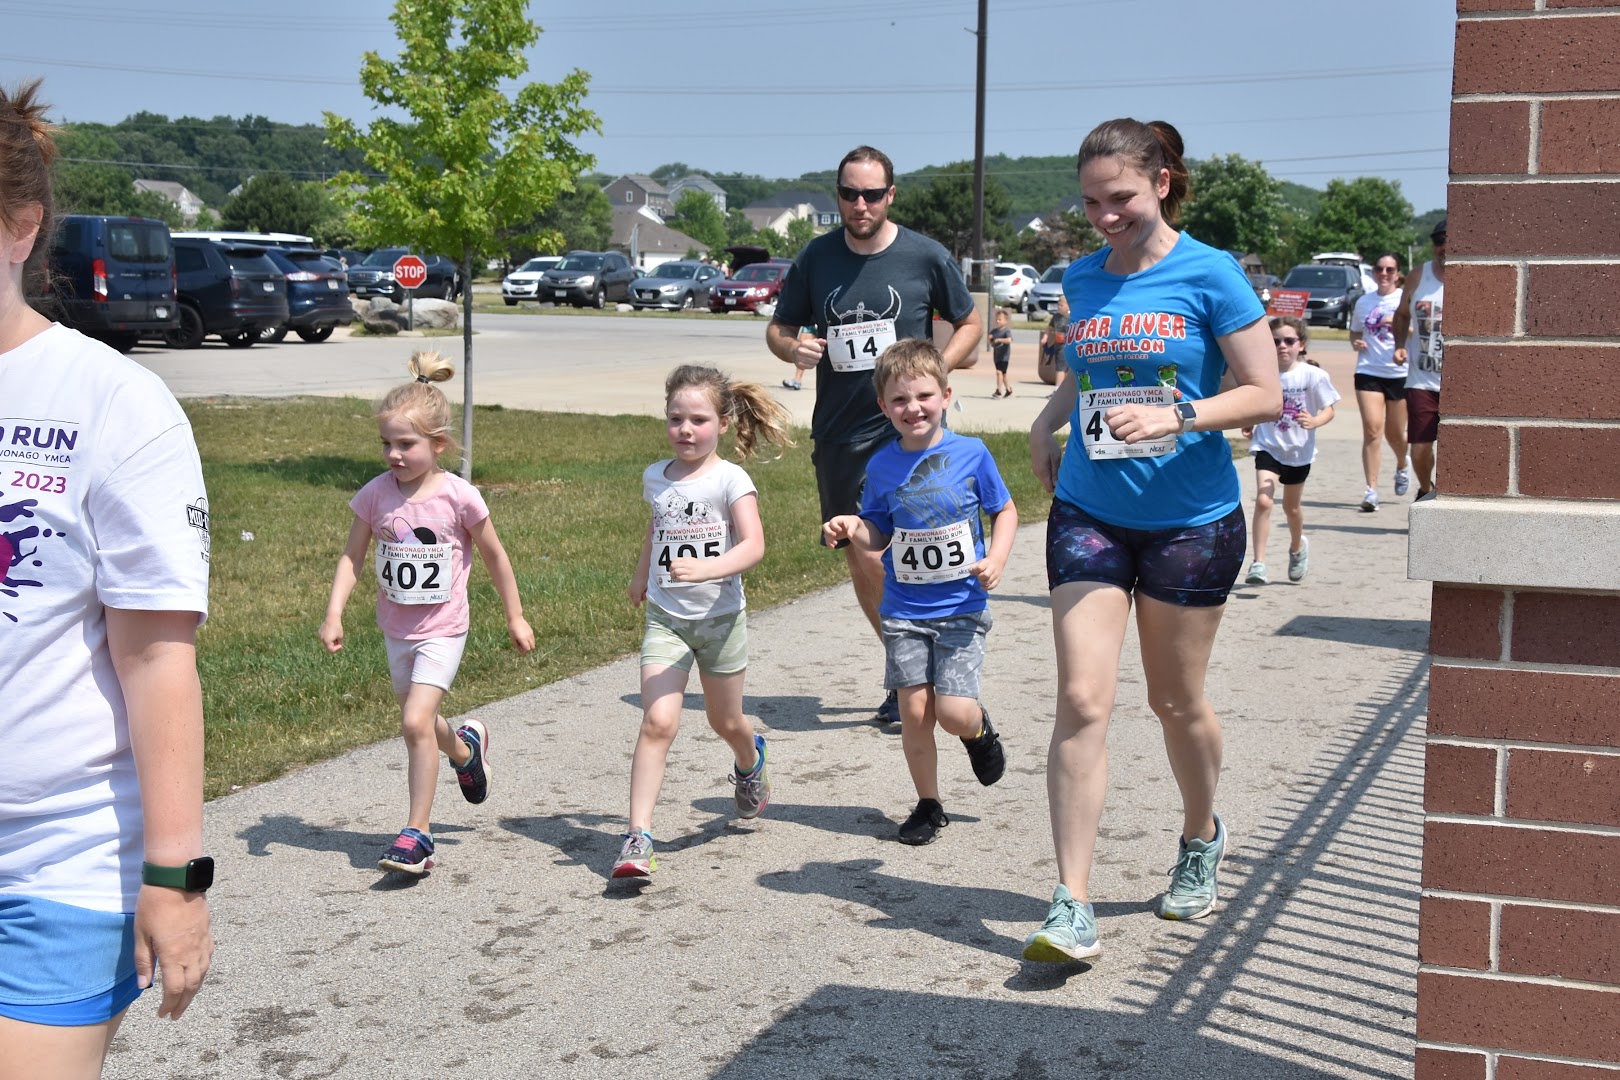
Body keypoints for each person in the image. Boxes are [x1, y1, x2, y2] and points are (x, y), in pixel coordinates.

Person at [1023, 118, 1281, 963]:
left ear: (1161, 183)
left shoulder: (1211, 273)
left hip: (1190, 522)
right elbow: (1089, 364)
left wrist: (1178, 414)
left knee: (1174, 701)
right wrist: (1048, 419)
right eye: (1092, 202)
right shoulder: (1084, 277)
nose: (1104, 217)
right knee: (1083, 700)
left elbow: (1265, 393)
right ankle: (1071, 902)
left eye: (1121, 198)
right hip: (1091, 510)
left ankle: (1201, 833)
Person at [0, 80, 213, 1077]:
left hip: (55, 856)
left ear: (20, 226)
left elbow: (158, 658)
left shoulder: (112, 404)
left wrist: (174, 877)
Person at [768, 145, 981, 727]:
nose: (859, 205)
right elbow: (779, 327)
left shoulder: (924, 255)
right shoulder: (817, 258)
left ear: (891, 195)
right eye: (848, 193)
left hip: (909, 433)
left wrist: (938, 368)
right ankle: (903, 662)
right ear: (836, 194)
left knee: (913, 551)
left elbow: (970, 323)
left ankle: (933, 663)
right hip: (839, 433)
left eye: (871, 194)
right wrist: (793, 347)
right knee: (864, 557)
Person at [319, 351, 535, 875]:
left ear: (438, 445)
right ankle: (464, 752)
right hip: (396, 629)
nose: (394, 454)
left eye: (406, 444)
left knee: (414, 721)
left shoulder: (459, 497)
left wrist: (515, 616)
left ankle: (417, 834)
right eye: (387, 444)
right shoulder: (375, 495)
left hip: (443, 629)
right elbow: (352, 556)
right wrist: (334, 613)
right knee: (422, 722)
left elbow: (495, 556)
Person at [823, 341, 1017, 845]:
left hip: (961, 607)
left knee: (953, 714)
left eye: (924, 396)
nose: (914, 408)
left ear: (946, 395)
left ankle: (978, 731)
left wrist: (995, 558)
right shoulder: (884, 466)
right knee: (913, 711)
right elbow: (878, 534)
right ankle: (929, 805)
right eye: (900, 400)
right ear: (884, 407)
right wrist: (851, 526)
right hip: (905, 610)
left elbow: (1006, 510)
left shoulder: (971, 453)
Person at [615, 365, 795, 878]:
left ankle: (749, 759)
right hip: (666, 618)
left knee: (726, 721)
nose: (686, 430)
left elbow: (755, 545)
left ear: (722, 421)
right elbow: (657, 528)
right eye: (676, 419)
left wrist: (708, 568)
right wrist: (639, 575)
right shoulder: (656, 476)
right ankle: (638, 837)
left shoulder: (731, 478)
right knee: (658, 722)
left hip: (720, 619)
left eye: (698, 419)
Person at [1242, 316, 1340, 585]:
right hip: (1268, 446)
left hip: (1299, 452)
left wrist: (1315, 421)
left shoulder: (1313, 375)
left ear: (1301, 344)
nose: (1282, 346)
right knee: (1264, 500)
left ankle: (1297, 547)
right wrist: (1249, 423)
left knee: (1291, 508)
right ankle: (1258, 563)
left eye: (1289, 340)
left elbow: (1329, 408)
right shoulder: (1262, 375)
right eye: (1275, 341)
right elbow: (1254, 404)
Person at [1348, 253, 1411, 512]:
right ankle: (1371, 490)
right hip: (1368, 370)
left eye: (1389, 269)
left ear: (1397, 273)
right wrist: (1355, 342)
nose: (1384, 274)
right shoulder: (1364, 302)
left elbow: (1417, 331)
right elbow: (1354, 332)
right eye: (1379, 269)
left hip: (1399, 372)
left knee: (1395, 433)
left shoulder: (1405, 299)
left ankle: (1402, 463)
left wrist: (1397, 325)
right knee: (1373, 430)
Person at [1392, 218, 1446, 501]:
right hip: (1421, 379)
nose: (1444, 247)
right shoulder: (1419, 275)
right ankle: (1426, 489)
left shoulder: (1474, 275)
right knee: (1421, 448)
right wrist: (1399, 345)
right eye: (1439, 241)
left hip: (1459, 383)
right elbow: (1401, 314)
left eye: (1450, 240)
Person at [1039, 292, 1070, 388]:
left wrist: (1066, 337)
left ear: (1068, 306)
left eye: (1062, 305)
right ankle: (1062, 389)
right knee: (1060, 367)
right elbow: (1050, 328)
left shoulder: (1071, 318)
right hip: (1057, 345)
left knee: (1060, 368)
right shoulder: (1056, 317)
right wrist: (1045, 337)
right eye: (1058, 305)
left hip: (1066, 346)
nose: (1059, 307)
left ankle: (1057, 389)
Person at [989, 307, 1014, 398]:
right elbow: (991, 342)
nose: (998, 321)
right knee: (1003, 374)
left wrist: (999, 339)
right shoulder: (994, 331)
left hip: (1004, 357)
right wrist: (990, 339)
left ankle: (999, 391)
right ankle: (1008, 389)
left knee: (999, 372)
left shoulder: (1006, 331)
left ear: (1005, 321)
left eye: (1000, 319)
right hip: (997, 356)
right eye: (997, 319)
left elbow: (1009, 340)